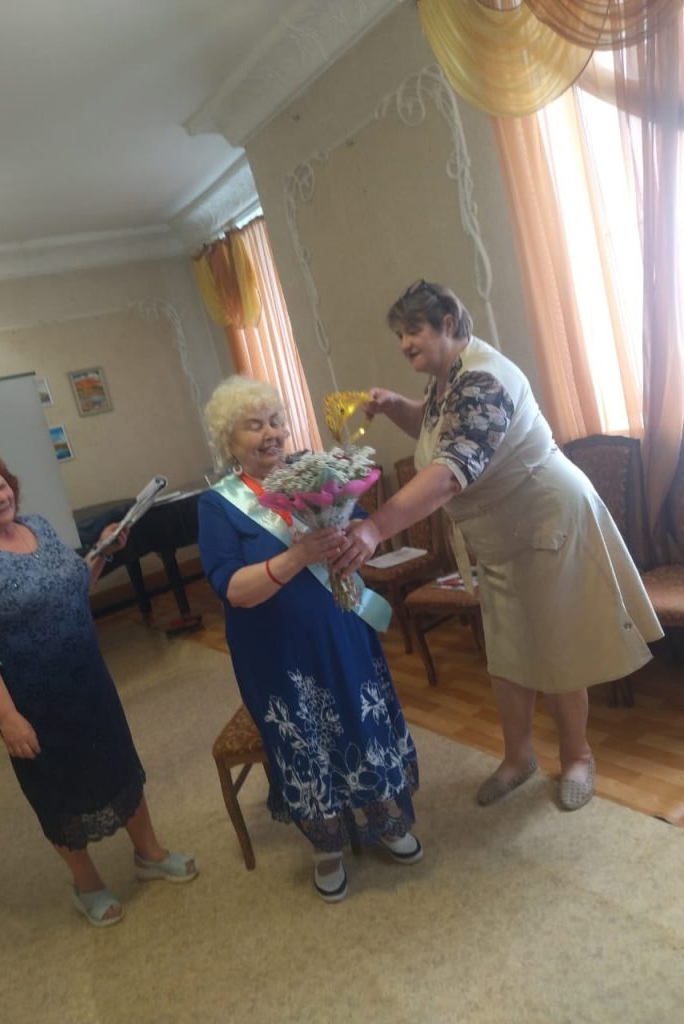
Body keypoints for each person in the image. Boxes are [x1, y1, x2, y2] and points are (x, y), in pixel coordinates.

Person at [334, 280, 663, 811]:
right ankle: (518, 757)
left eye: (413, 330)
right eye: (399, 335)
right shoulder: (447, 379)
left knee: (557, 648)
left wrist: (374, 527)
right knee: (508, 651)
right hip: (502, 536)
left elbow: (450, 471)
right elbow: (437, 432)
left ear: (447, 323)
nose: (404, 344)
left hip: (546, 524)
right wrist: (396, 406)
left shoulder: (484, 380)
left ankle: (577, 756)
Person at [0, 450, 198, 928]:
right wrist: (8, 718)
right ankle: (86, 885)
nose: (1, 496)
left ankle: (149, 854)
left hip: (88, 679)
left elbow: (74, 587)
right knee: (59, 792)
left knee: (119, 763)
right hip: (34, 700)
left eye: (2, 485)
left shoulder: (37, 527)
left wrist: (105, 552)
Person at [197, 375, 421, 903]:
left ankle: (381, 816)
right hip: (276, 651)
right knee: (304, 738)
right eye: (254, 426)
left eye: (276, 421)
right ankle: (326, 843)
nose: (270, 434)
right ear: (230, 441)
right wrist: (299, 555)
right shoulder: (218, 504)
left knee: (359, 720)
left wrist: (353, 543)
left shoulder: (317, 474)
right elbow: (232, 589)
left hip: (343, 630)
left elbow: (362, 533)